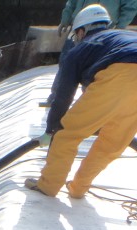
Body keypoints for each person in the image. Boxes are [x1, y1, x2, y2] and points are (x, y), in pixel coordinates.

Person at [25, 4, 137, 198]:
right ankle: (78, 188)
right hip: (125, 74)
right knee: (113, 141)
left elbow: (63, 97)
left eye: (76, 34)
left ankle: (48, 185)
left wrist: (52, 129)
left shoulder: (81, 49)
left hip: (118, 74)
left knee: (68, 134)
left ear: (82, 30)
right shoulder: (119, 37)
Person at [44, 0, 137, 106]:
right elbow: (72, 2)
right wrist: (66, 18)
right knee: (66, 63)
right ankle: (55, 98)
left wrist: (120, 26)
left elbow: (130, 6)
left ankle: (89, 101)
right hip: (79, 28)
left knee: (95, 68)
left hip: (105, 29)